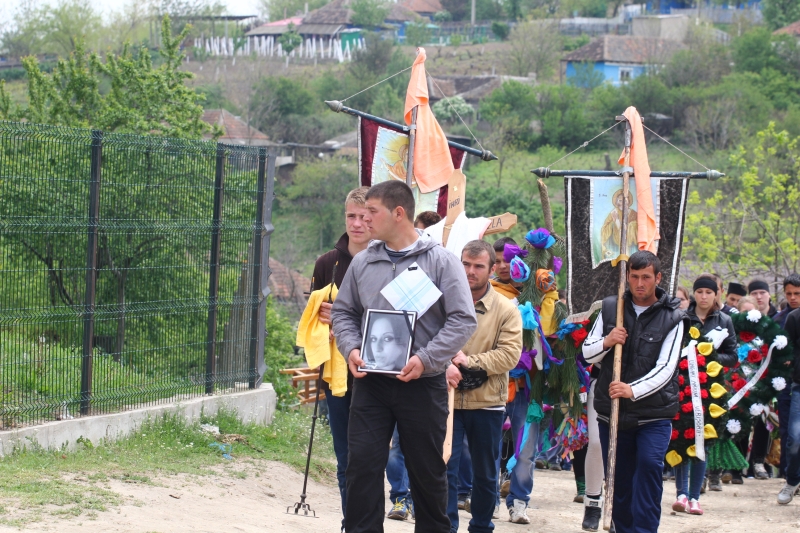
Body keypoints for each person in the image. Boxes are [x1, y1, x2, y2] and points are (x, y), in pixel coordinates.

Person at [331, 180, 477, 533]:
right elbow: (343, 313)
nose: (364, 220)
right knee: (362, 467)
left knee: (426, 471)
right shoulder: (364, 262)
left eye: (372, 212)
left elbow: (462, 319)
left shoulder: (441, 261)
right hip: (371, 384)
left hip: (422, 384)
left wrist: (426, 359)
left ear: (399, 214)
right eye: (361, 213)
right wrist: (350, 347)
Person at [582, 251, 685, 533]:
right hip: (612, 413)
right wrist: (608, 341)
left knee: (650, 467)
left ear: (658, 278)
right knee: (619, 480)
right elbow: (587, 354)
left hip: (653, 415)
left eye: (646, 277)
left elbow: (667, 368)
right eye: (634, 276)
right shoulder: (610, 308)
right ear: (627, 277)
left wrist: (632, 390)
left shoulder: (674, 317)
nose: (640, 283)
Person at [445, 240, 522, 533]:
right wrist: (445, 364)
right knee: (445, 469)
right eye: (465, 264)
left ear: (492, 269)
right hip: (447, 399)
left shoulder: (505, 309)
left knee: (486, 473)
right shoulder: (444, 301)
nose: (470, 271)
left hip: (487, 402)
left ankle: (481, 526)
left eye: (478, 266)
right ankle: (446, 526)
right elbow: (425, 339)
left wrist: (469, 360)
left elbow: (510, 354)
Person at [310, 186, 371, 531]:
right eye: (351, 216)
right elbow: (312, 317)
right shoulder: (326, 264)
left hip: (379, 375)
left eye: (365, 217)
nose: (357, 223)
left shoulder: (389, 259)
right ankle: (352, 524)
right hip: (337, 377)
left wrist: (347, 319)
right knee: (346, 457)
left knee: (370, 457)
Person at [673, 275, 738, 512]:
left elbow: (733, 356)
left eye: (708, 292)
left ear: (716, 294)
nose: (703, 297)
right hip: (683, 386)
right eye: (699, 292)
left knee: (703, 439)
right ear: (694, 294)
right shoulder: (682, 318)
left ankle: (695, 496)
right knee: (682, 438)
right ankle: (680, 494)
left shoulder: (725, 320)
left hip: (711, 388)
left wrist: (706, 355)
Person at [776, 275, 800, 478]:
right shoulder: (782, 319)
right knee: (790, 432)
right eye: (789, 294)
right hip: (788, 382)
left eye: (797, 294)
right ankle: (788, 474)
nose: (793, 298)